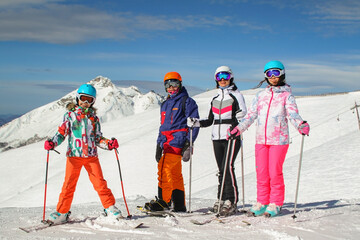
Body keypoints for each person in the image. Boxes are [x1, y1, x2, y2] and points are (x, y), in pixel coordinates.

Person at [227, 60, 310, 217]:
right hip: (261, 140)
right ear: (265, 76)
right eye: (269, 74)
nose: (272, 77)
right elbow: (251, 116)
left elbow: (292, 114)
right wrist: (238, 129)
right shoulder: (261, 96)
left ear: (282, 74)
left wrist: (300, 125)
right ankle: (262, 202)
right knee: (262, 172)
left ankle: (276, 203)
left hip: (279, 140)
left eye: (276, 73)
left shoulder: (287, 96)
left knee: (274, 172)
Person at [44, 84, 121, 224]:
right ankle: (62, 212)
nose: (85, 102)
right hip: (74, 156)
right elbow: (62, 132)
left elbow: (98, 138)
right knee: (68, 185)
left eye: (89, 100)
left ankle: (109, 207)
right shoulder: (70, 115)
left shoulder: (94, 118)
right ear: (77, 98)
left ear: (93, 102)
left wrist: (109, 144)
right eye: (83, 98)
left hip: (91, 157)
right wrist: (53, 143)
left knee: (100, 183)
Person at [187, 66, 247, 216]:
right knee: (221, 169)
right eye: (219, 76)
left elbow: (243, 114)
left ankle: (231, 201)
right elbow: (210, 120)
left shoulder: (236, 96)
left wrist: (237, 125)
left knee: (228, 167)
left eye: (225, 76)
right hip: (216, 137)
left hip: (231, 136)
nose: (222, 79)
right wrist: (196, 122)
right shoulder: (214, 99)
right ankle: (221, 198)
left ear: (231, 77)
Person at [154, 71, 200, 212]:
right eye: (168, 85)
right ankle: (179, 205)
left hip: (177, 141)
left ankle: (164, 202)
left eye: (174, 84)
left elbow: (194, 124)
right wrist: (158, 144)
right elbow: (163, 126)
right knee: (174, 174)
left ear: (180, 84)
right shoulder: (165, 103)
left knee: (164, 169)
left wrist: (188, 144)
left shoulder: (187, 102)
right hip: (166, 143)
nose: (171, 88)